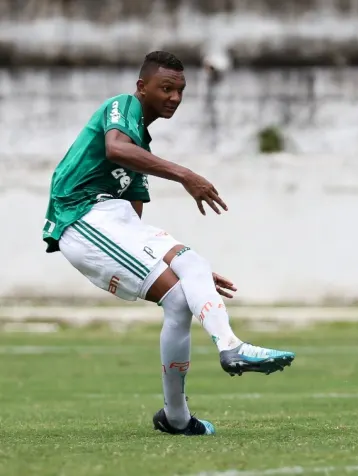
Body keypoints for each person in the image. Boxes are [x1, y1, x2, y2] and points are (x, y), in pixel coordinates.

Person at [41, 51, 295, 436]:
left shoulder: (140, 149)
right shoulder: (122, 109)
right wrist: (186, 175)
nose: (174, 97)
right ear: (142, 88)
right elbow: (115, 149)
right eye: (166, 88)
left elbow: (135, 228)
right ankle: (230, 346)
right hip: (79, 217)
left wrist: (190, 278)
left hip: (110, 224)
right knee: (188, 265)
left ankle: (176, 418)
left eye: (180, 90)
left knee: (182, 291)